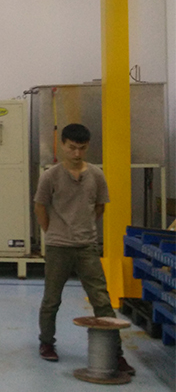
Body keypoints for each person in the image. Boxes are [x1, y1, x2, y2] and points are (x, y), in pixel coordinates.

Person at [33, 123, 134, 375]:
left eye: (82, 148)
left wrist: (84, 228)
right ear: (62, 146)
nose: (77, 153)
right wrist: (53, 232)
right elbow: (40, 207)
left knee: (102, 300)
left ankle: (116, 354)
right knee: (51, 299)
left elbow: (100, 206)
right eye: (72, 148)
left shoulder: (96, 175)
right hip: (58, 247)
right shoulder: (50, 176)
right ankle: (47, 342)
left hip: (87, 246)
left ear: (87, 147)